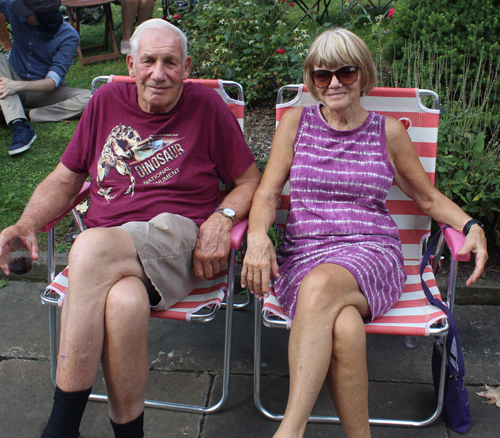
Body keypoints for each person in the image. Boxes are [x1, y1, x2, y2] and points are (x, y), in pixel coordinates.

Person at [0, 18, 261, 437]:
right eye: (149, 61)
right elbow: (67, 178)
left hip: (177, 240)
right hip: (115, 254)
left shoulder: (207, 108)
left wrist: (222, 218)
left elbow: (250, 180)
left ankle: (61, 428)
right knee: (124, 303)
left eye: (170, 62)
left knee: (86, 250)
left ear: (187, 67)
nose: (159, 73)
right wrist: (27, 222)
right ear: (131, 64)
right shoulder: (105, 101)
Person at [241, 28, 488, 438]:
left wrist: (470, 225)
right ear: (312, 80)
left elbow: (426, 198)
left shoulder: (387, 131)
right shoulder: (295, 125)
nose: (334, 83)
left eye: (346, 72)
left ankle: (289, 430)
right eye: (323, 75)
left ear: (364, 76)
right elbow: (266, 194)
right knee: (344, 328)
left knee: (320, 289)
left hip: (372, 253)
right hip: (305, 253)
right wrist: (256, 237)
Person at [0, 0, 91, 155]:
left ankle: (27, 115)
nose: (22, 14)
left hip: (43, 90)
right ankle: (19, 124)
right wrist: (14, 84)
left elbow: (51, 82)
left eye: (27, 12)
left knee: (89, 98)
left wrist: (18, 86)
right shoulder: (15, 9)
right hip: (11, 79)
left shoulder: (68, 36)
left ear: (42, 16)